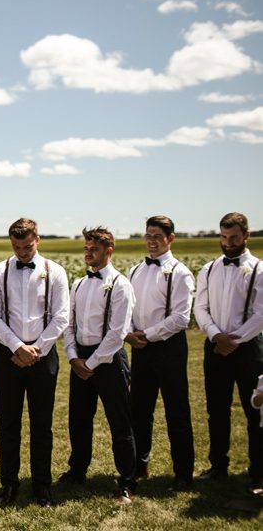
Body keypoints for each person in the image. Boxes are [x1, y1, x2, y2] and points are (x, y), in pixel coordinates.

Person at [0, 218, 69, 507]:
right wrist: (18, 346)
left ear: (38, 240)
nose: (22, 252)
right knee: (8, 424)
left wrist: (37, 349)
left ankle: (42, 485)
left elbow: (61, 317)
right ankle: (9, 484)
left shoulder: (55, 272)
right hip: (8, 356)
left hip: (44, 358)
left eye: (27, 246)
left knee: (42, 424)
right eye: (16, 247)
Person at [60, 226, 138, 504]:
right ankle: (77, 470)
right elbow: (69, 324)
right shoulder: (79, 284)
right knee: (79, 419)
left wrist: (90, 363)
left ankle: (127, 480)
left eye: (93, 249)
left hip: (108, 359)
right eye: (86, 248)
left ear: (109, 250)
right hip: (80, 357)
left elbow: (118, 333)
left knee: (119, 421)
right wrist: (72, 357)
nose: (88, 253)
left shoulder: (121, 285)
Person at [124, 216, 195, 491]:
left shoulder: (180, 272)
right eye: (148, 235)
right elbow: (127, 308)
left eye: (157, 235)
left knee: (177, 411)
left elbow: (181, 317)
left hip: (168, 348)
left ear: (170, 238)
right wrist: (130, 332)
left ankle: (183, 474)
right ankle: (139, 464)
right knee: (139, 410)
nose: (151, 241)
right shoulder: (135, 270)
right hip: (140, 348)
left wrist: (148, 334)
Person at [194, 212, 263, 494]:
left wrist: (234, 339)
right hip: (216, 347)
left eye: (233, 237)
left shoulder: (259, 269)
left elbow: (261, 313)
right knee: (217, 410)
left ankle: (258, 472)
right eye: (223, 237)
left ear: (246, 235)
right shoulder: (209, 269)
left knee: (254, 411)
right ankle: (218, 465)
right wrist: (216, 336)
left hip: (248, 349)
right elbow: (200, 308)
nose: (228, 242)